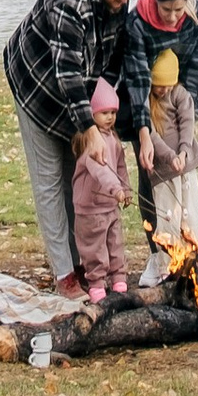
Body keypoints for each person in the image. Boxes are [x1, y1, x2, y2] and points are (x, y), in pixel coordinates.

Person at [2, 0, 146, 299]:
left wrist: (102, 108)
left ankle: (83, 263)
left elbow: (110, 61)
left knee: (76, 178)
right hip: (36, 85)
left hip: (76, 96)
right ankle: (65, 275)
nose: (121, 2)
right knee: (50, 182)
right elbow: (65, 70)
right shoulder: (72, 1)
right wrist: (88, 128)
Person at [128, 0, 198, 285]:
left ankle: (189, 249)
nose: (172, 16)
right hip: (147, 101)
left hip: (179, 93)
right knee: (152, 174)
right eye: (167, 9)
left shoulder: (197, 13)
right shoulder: (138, 22)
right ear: (157, 4)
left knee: (185, 173)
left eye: (178, 9)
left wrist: (184, 105)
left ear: (187, 2)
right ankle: (158, 254)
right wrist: (143, 128)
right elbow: (135, 76)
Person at [69, 80, 133, 301]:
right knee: (94, 248)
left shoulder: (113, 139)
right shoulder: (90, 141)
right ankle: (96, 284)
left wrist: (126, 188)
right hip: (91, 208)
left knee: (115, 243)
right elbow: (101, 171)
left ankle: (119, 280)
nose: (110, 117)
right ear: (92, 113)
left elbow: (120, 167)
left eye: (113, 112)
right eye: (104, 112)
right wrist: (115, 189)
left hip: (110, 205)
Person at [145, 47, 198, 252]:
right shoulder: (147, 102)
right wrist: (169, 157)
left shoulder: (179, 93)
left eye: (168, 85)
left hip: (185, 163)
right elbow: (151, 134)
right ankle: (167, 262)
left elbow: (187, 123)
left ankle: (193, 255)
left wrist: (183, 152)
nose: (164, 90)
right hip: (163, 168)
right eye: (160, 86)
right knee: (168, 214)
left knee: (189, 213)